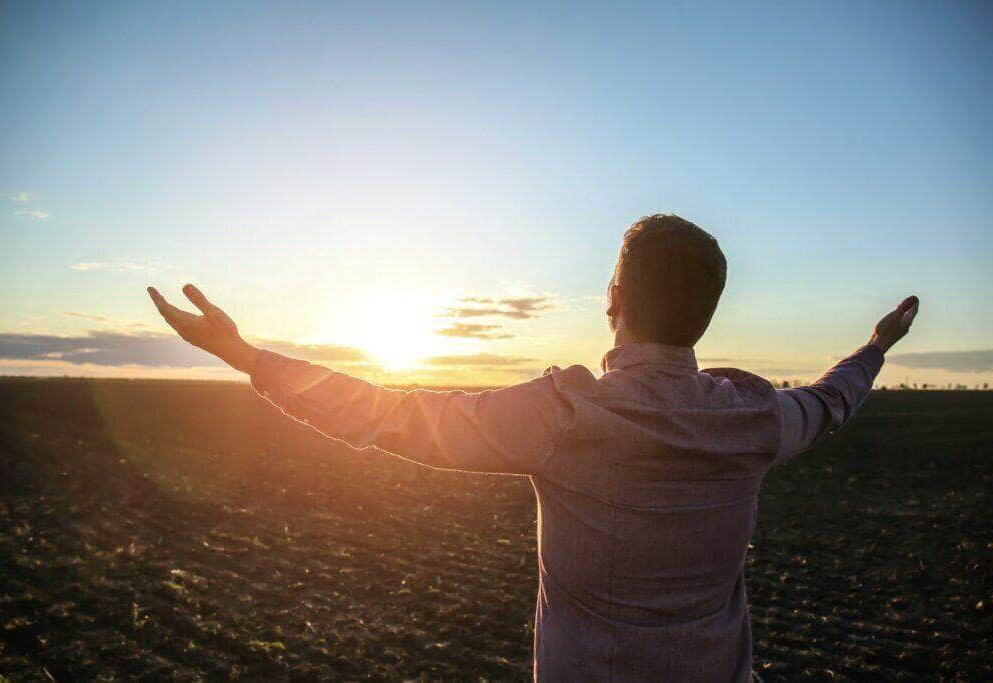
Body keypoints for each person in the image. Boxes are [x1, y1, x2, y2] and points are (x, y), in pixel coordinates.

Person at [148, 213, 919, 682]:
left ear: (612, 299)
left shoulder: (565, 414)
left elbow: (392, 414)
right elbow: (829, 403)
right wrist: (876, 346)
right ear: (706, 317)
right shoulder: (754, 417)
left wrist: (246, 356)